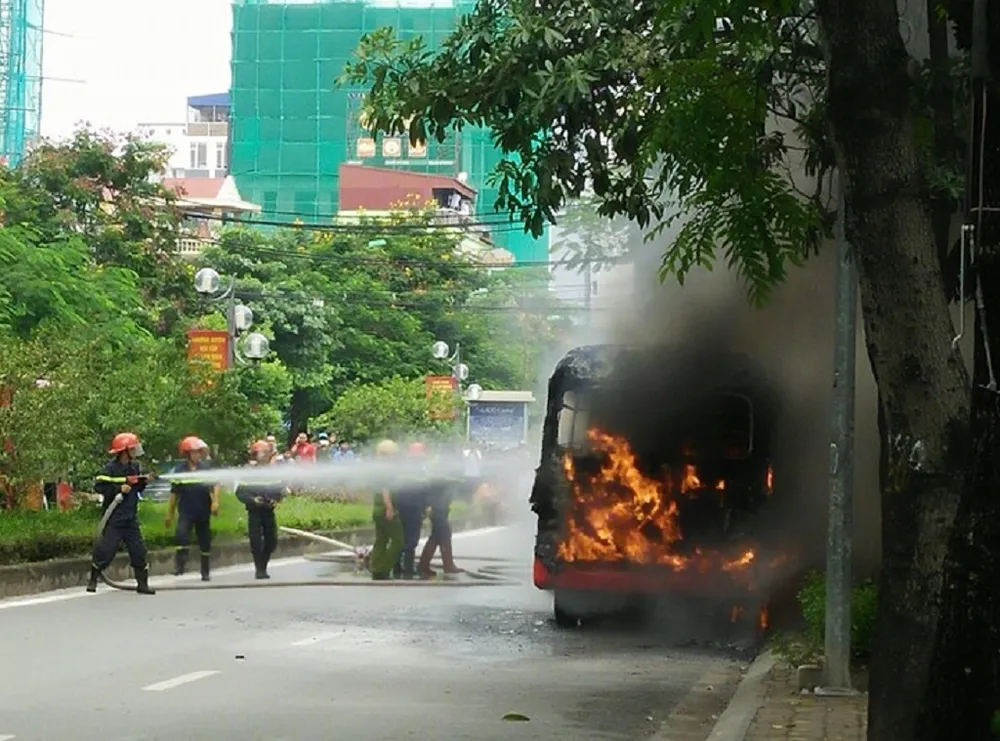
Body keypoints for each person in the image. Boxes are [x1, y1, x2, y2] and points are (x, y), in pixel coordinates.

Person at [87, 432, 156, 595]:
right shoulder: (110, 469)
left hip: (130, 518)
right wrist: (118, 489)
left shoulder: (135, 467)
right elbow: (99, 486)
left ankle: (142, 584)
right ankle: (93, 580)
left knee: (139, 552)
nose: (135, 451)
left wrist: (145, 482)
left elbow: (137, 487)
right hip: (114, 518)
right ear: (124, 451)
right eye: (132, 449)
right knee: (106, 551)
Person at [164, 436, 219, 581]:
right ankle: (180, 565)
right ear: (187, 453)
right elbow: (174, 493)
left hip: (203, 510)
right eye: (194, 452)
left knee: (205, 541)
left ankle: (205, 571)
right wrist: (169, 514)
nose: (197, 455)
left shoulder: (205, 469)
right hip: (186, 511)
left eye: (199, 452)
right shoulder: (179, 470)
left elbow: (215, 485)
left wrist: (215, 502)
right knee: (181, 535)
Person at [235, 440, 287, 579]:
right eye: (260, 454)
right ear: (255, 455)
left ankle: (263, 564)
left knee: (272, 541)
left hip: (268, 511)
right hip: (254, 512)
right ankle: (259, 569)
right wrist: (253, 500)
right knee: (256, 541)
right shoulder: (248, 473)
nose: (263, 456)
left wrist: (276, 499)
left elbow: (281, 491)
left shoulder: (274, 473)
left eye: (265, 453)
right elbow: (240, 493)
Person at [417, 449, 464, 579]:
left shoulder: (444, 469)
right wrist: (430, 506)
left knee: (438, 536)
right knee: (443, 534)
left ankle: (428, 565)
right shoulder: (439, 471)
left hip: (441, 507)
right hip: (437, 508)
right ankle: (444, 565)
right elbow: (432, 489)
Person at [394, 442, 430, 580]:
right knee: (412, 539)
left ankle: (397, 565)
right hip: (413, 507)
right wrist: (425, 506)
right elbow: (423, 490)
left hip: (402, 506)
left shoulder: (403, 467)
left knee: (401, 537)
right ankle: (408, 567)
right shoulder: (418, 469)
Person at [370, 439, 404, 580]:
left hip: (377, 509)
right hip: (386, 509)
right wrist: (389, 507)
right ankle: (384, 568)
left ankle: (376, 568)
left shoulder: (377, 468)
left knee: (381, 540)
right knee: (398, 541)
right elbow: (386, 489)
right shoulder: (387, 469)